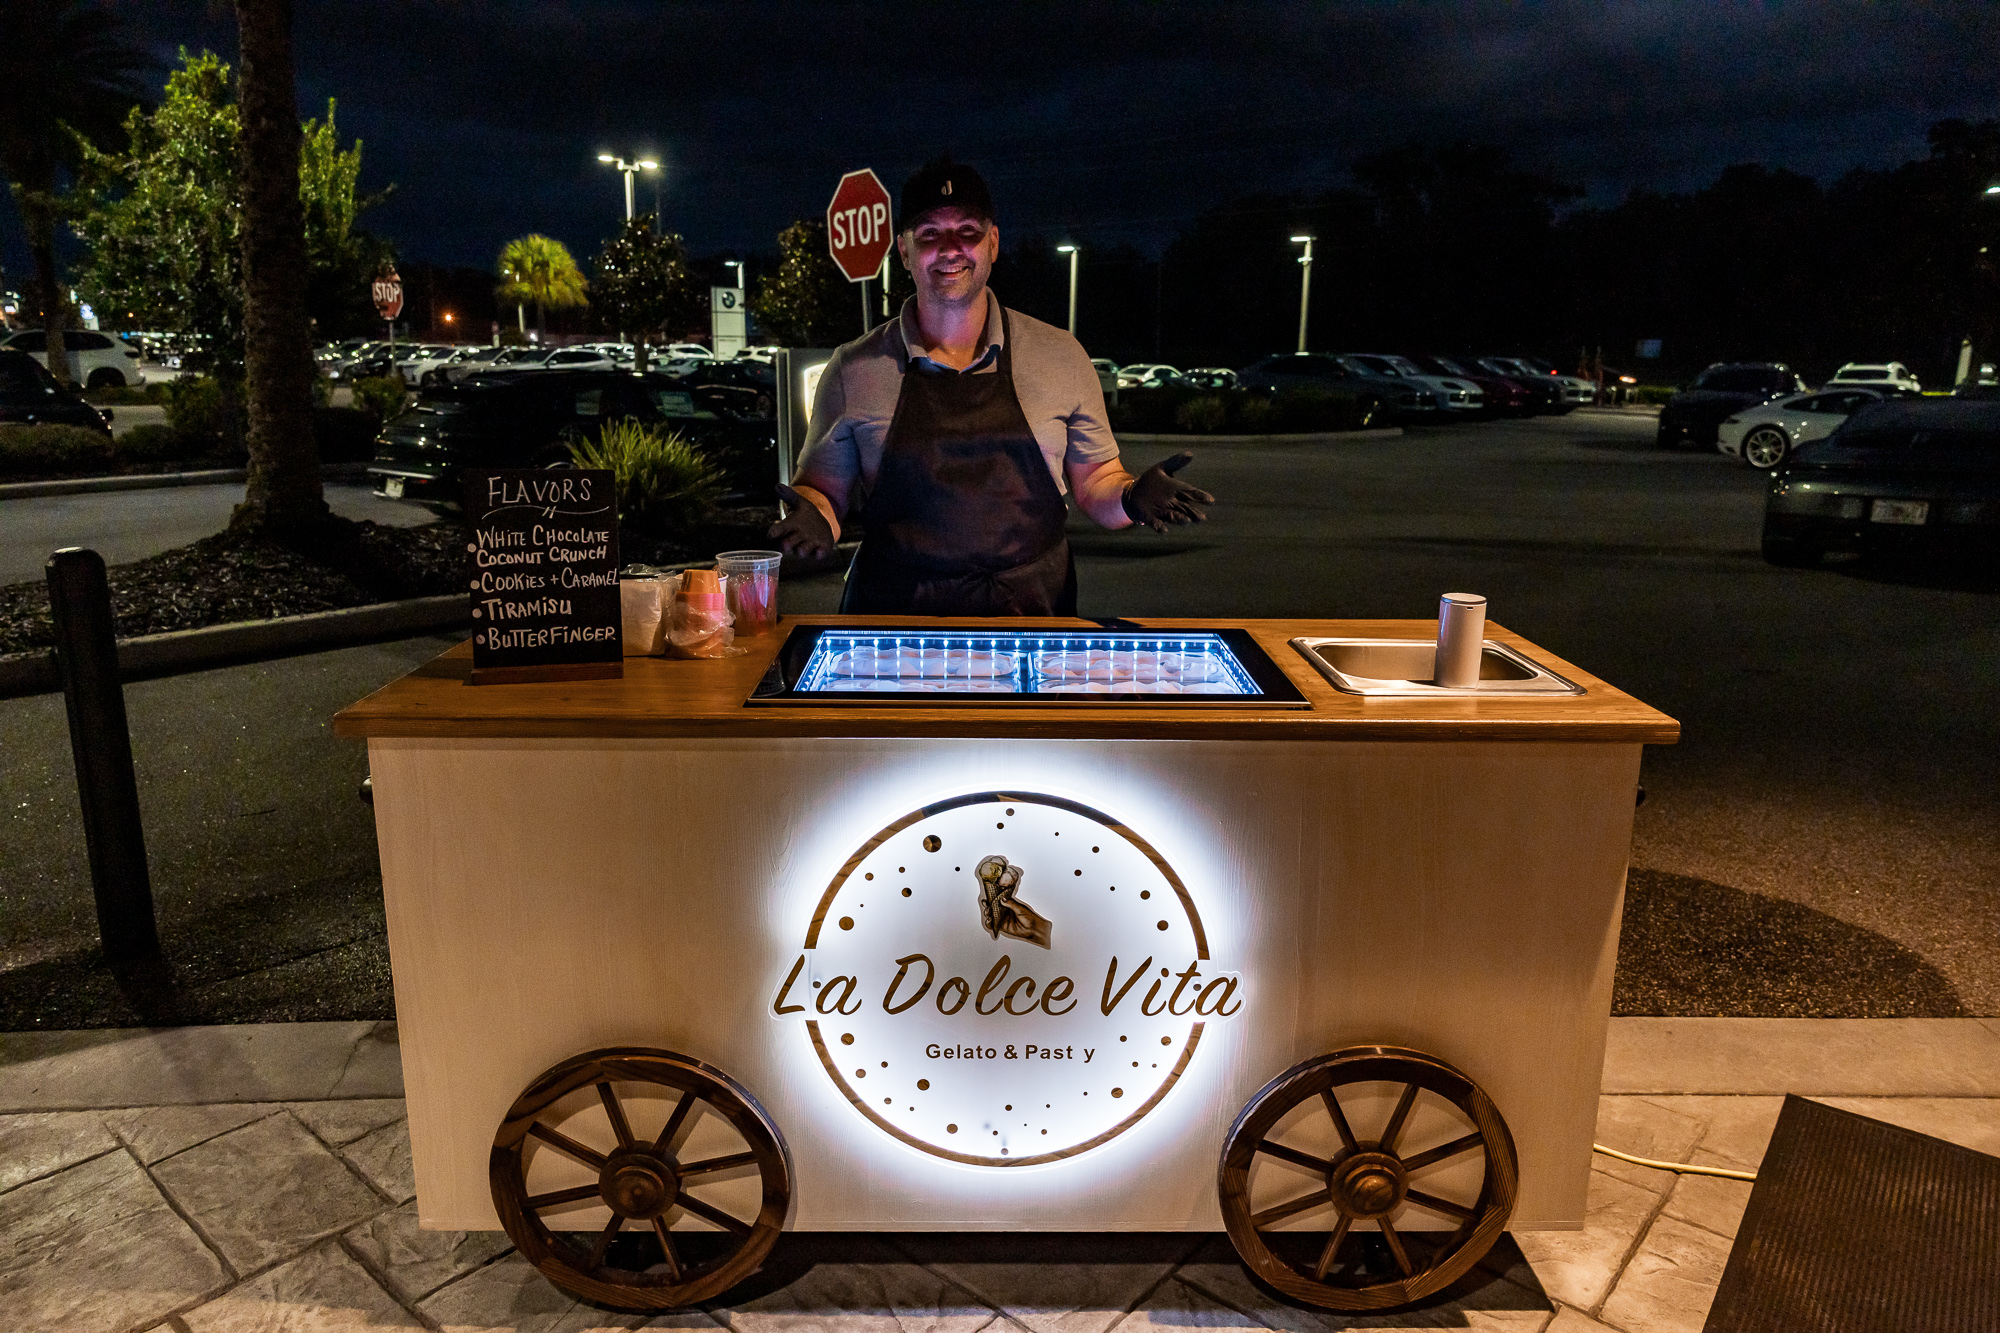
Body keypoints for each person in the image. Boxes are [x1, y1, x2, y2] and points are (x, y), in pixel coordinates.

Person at [768, 156, 1213, 616]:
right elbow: (824, 489)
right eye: (929, 235)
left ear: (993, 242)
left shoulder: (1060, 356)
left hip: (1031, 618)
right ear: (903, 250)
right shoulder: (854, 369)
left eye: (968, 231)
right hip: (895, 627)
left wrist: (1132, 497)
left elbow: (1096, 481)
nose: (950, 248)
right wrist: (813, 517)